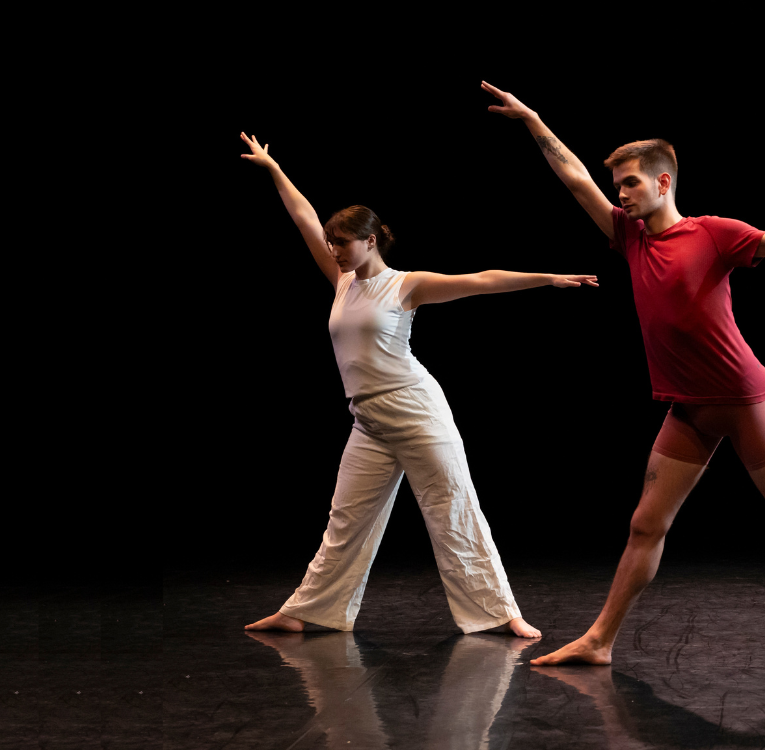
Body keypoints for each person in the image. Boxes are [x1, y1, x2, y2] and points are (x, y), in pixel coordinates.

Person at [481, 81, 765, 672]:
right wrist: (533, 119)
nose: (619, 194)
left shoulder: (711, 233)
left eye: (630, 182)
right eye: (617, 184)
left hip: (743, 400)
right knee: (645, 525)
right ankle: (600, 640)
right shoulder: (627, 238)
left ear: (663, 182)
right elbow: (574, 178)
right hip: (687, 408)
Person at [234, 131, 597, 638]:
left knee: (452, 505)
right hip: (368, 421)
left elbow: (483, 279)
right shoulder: (342, 280)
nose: (333, 249)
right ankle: (307, 611)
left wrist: (549, 279)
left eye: (342, 242)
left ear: (372, 240)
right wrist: (274, 170)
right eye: (331, 242)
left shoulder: (406, 285)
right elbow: (302, 216)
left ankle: (501, 613)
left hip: (415, 409)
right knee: (346, 520)